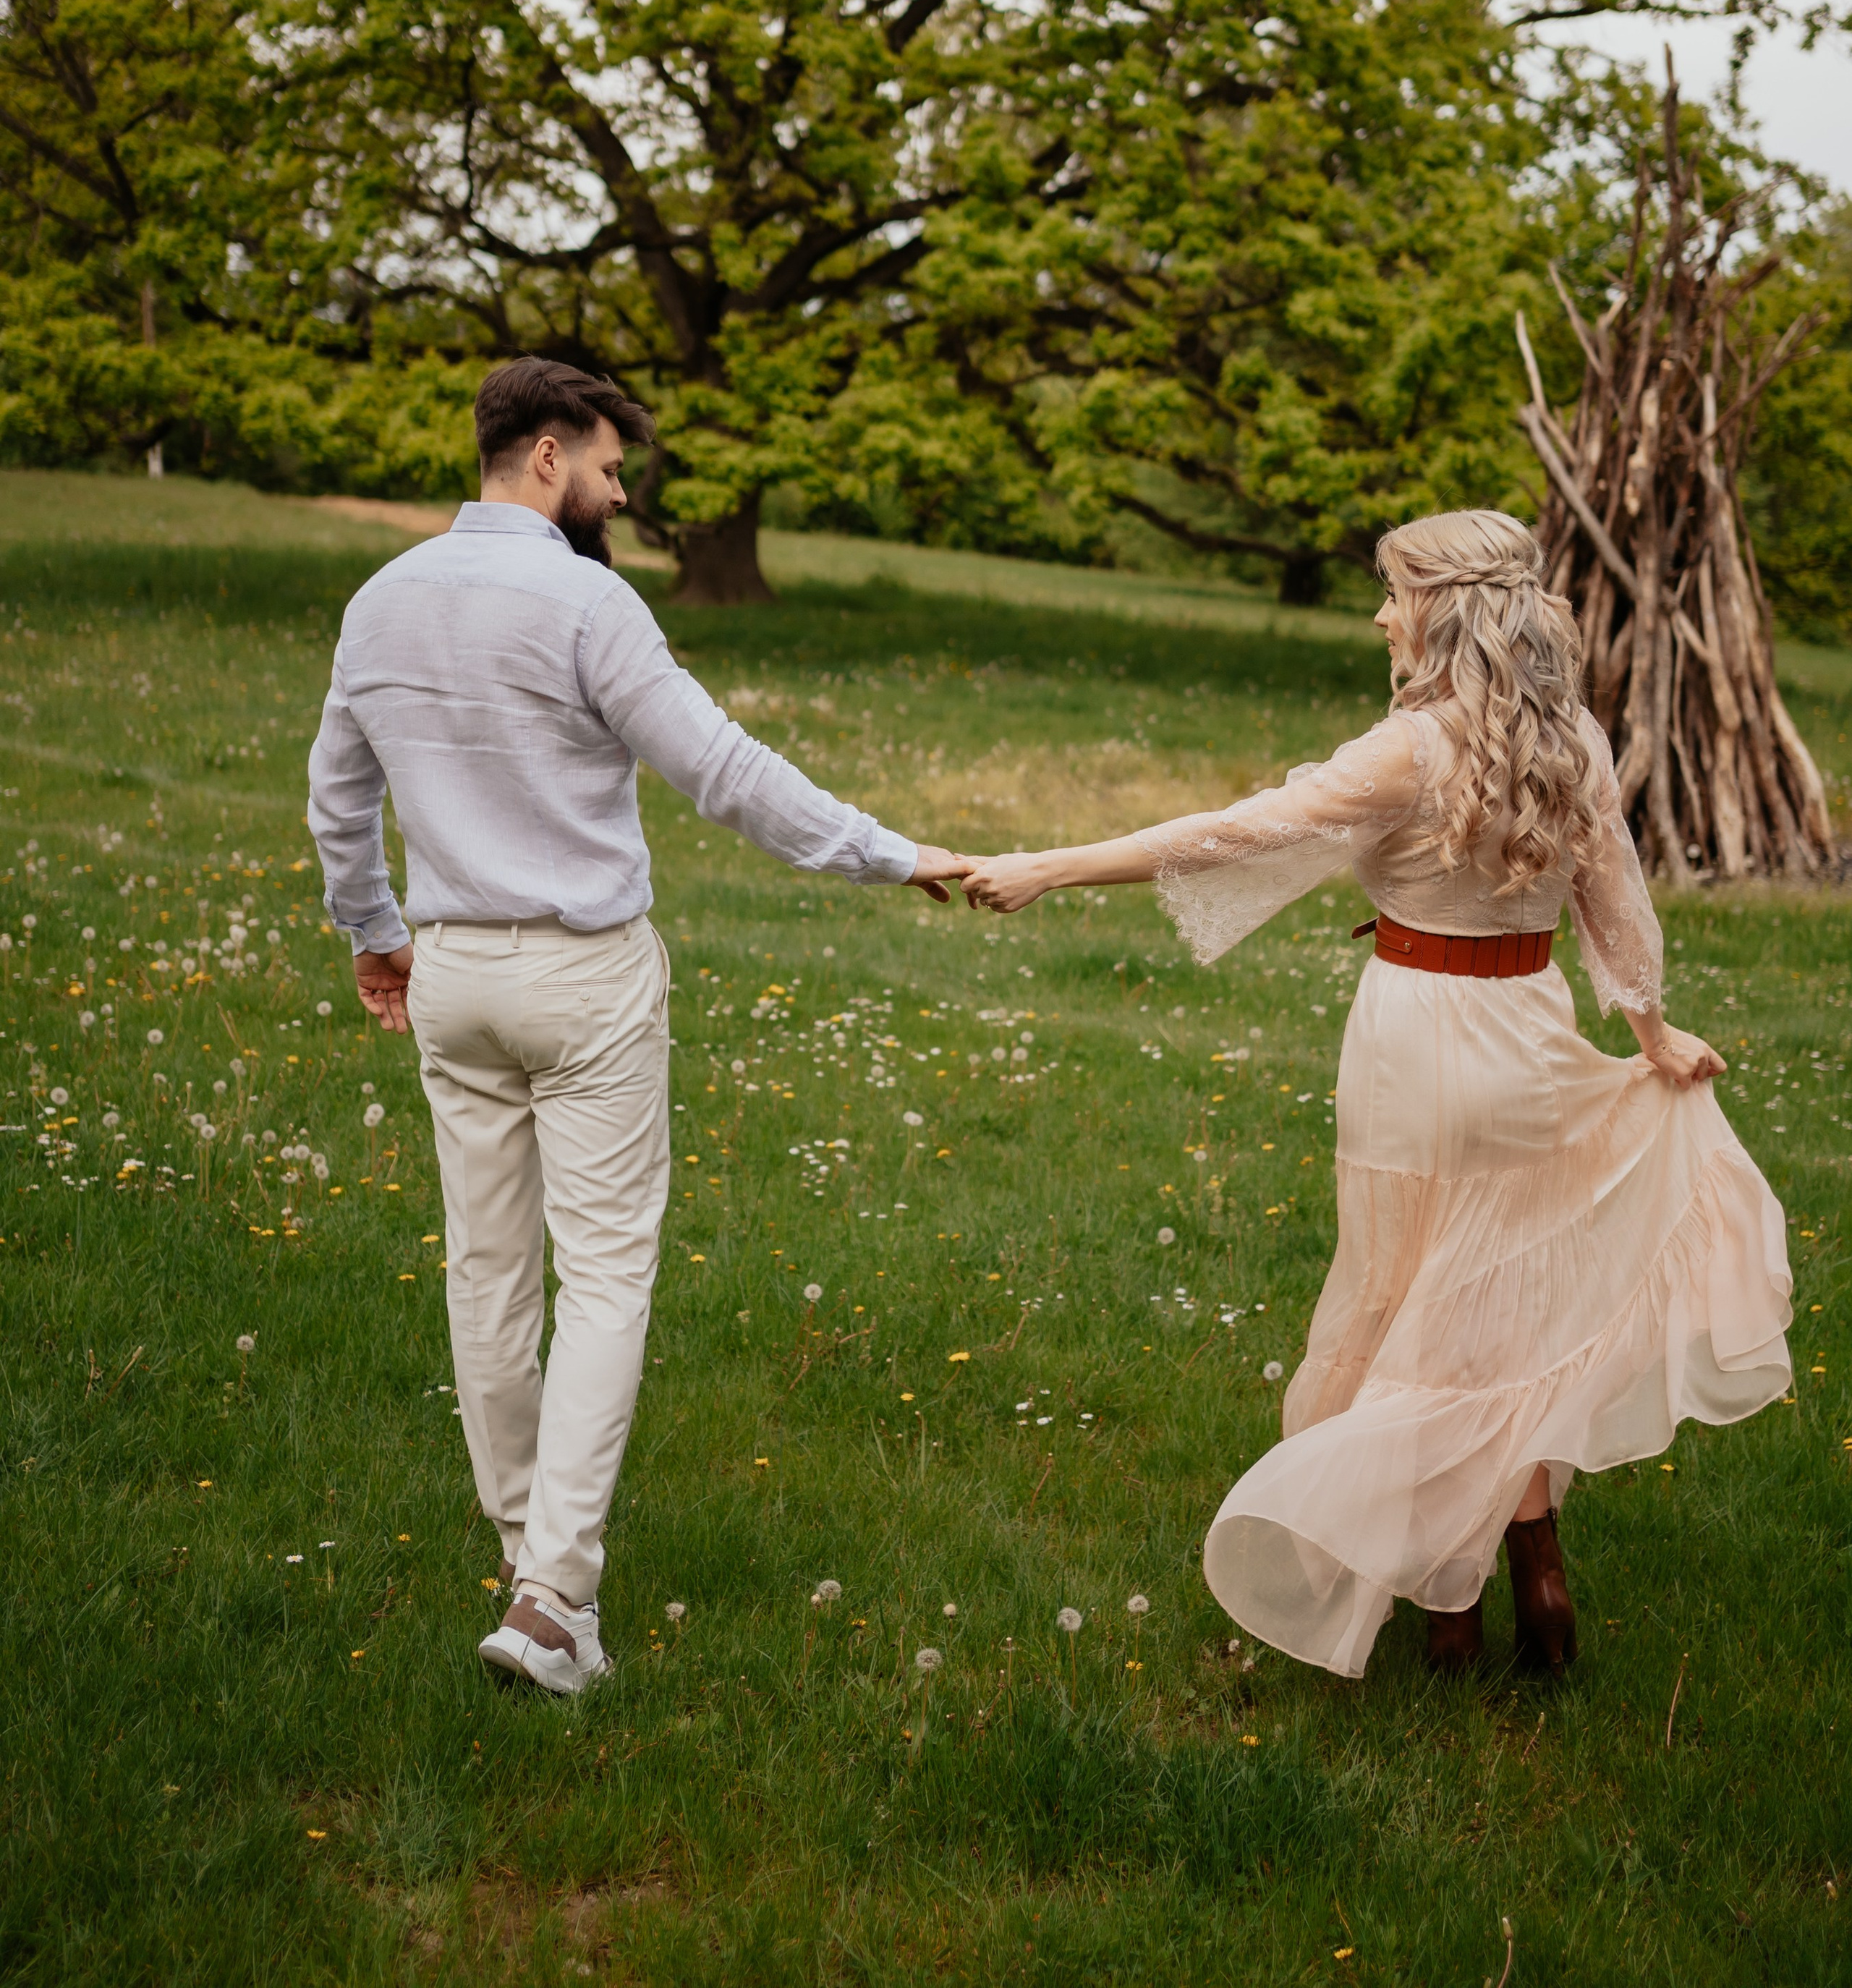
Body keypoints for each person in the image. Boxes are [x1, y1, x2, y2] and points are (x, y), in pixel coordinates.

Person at [957, 510, 1792, 1681]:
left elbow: (1232, 829)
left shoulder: (1412, 749)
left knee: (1407, 1310)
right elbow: (1618, 903)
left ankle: (1445, 1604)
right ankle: (1538, 1573)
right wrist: (1652, 1032)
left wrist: (1049, 865)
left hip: (1415, 1045)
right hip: (1530, 1035)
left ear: (1444, 609)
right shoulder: (1577, 741)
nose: (1380, 613)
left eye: (1394, 593)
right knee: (1502, 1317)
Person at [307, 356, 964, 1697]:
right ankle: (555, 1598)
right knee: (602, 1272)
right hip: (584, 974)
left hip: (453, 971)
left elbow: (337, 796)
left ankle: (526, 1565)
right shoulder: (584, 600)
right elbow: (722, 771)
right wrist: (892, 856)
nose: (617, 494)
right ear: (546, 455)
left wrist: (374, 931)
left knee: (487, 1273)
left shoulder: (378, 603)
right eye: (609, 469)